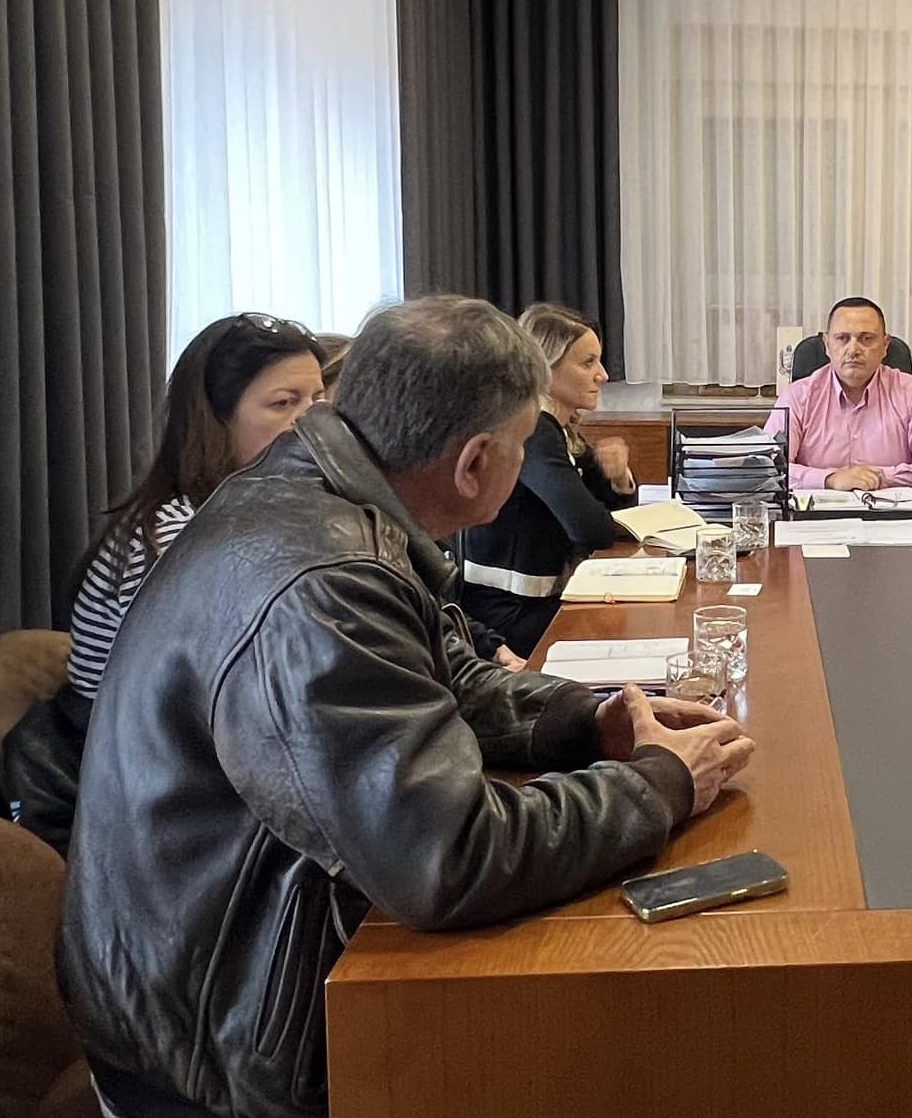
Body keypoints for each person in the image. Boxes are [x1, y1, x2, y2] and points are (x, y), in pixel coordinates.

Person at [58, 295, 756, 1118]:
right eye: (523, 442)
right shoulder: (326, 580)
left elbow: (449, 677)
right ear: (475, 463)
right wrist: (660, 784)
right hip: (214, 1037)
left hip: (229, 956)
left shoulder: (320, 496)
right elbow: (446, 857)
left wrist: (587, 721)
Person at [4, 314, 326, 855]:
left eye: (317, 399)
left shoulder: (248, 518)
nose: (310, 421)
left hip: (185, 774)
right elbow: (237, 710)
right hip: (134, 806)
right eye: (283, 403)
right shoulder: (179, 535)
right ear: (215, 422)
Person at [458, 303, 635, 656]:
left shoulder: (560, 427)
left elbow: (607, 508)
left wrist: (618, 478)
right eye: (588, 363)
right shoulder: (535, 431)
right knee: (625, 635)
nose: (603, 375)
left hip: (533, 603)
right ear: (544, 369)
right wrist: (604, 510)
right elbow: (592, 529)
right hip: (507, 615)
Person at [763, 297, 912, 490]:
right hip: (816, 510)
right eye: (842, 338)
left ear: (885, 345)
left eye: (866, 339)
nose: (853, 350)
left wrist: (879, 477)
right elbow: (766, 468)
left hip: (892, 510)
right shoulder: (797, 396)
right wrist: (830, 479)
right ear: (827, 345)